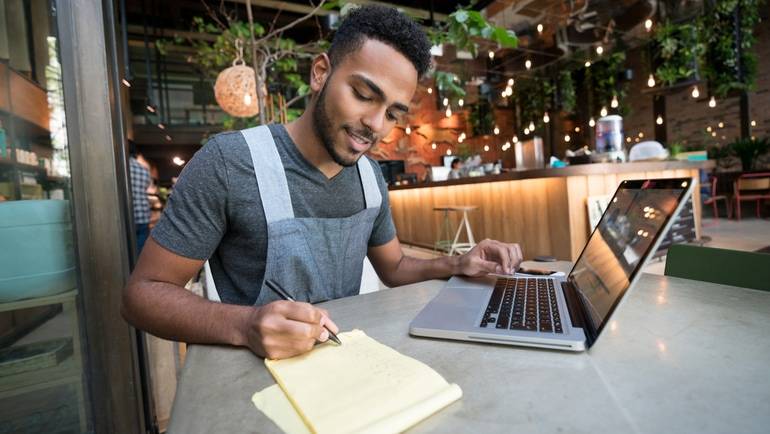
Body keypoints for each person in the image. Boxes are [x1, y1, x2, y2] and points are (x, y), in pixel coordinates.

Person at [121, 5, 523, 360]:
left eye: (393, 113)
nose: (376, 125)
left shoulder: (369, 178)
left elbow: (395, 267)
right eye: (364, 94)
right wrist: (246, 325)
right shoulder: (230, 163)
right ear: (320, 73)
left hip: (342, 368)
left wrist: (458, 263)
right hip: (248, 387)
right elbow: (142, 296)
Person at [128, 140, 151, 253]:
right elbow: (146, 187)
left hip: (127, 215)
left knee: (127, 248)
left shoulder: (120, 169)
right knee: (141, 249)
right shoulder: (143, 169)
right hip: (142, 214)